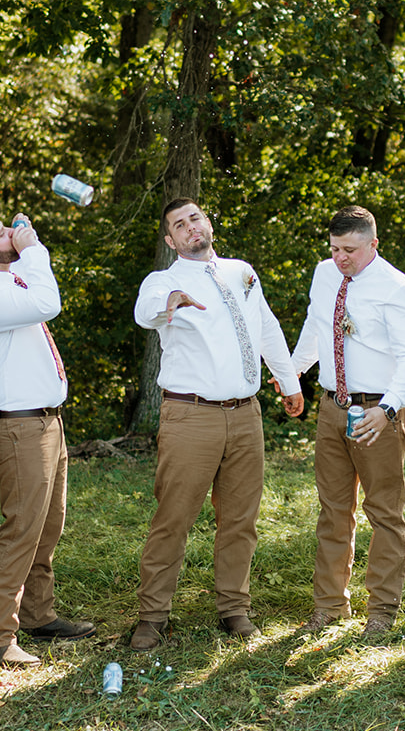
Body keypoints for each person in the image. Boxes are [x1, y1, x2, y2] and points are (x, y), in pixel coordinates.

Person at [129, 197, 305, 649]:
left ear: (207, 222)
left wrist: (288, 382)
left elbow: (266, 327)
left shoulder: (241, 270)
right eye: (179, 225)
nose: (190, 228)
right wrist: (170, 301)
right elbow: (145, 311)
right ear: (170, 240)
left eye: (195, 219)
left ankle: (234, 609)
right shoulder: (163, 280)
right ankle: (152, 617)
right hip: (191, 416)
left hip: (246, 414)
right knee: (174, 517)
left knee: (241, 519)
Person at [0, 208, 95, 666]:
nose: (14, 234)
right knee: (21, 530)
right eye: (3, 233)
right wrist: (34, 248)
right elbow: (48, 304)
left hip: (43, 421)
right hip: (17, 426)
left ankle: (37, 614)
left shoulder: (8, 284)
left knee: (46, 527)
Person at [289, 206, 405, 640]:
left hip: (377, 412)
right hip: (332, 408)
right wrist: (292, 374)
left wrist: (387, 411)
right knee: (333, 511)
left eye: (349, 249)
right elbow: (315, 327)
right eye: (334, 248)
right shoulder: (325, 274)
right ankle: (329, 606)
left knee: (384, 512)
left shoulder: (396, 288)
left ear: (373, 244)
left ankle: (381, 610)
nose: (339, 258)